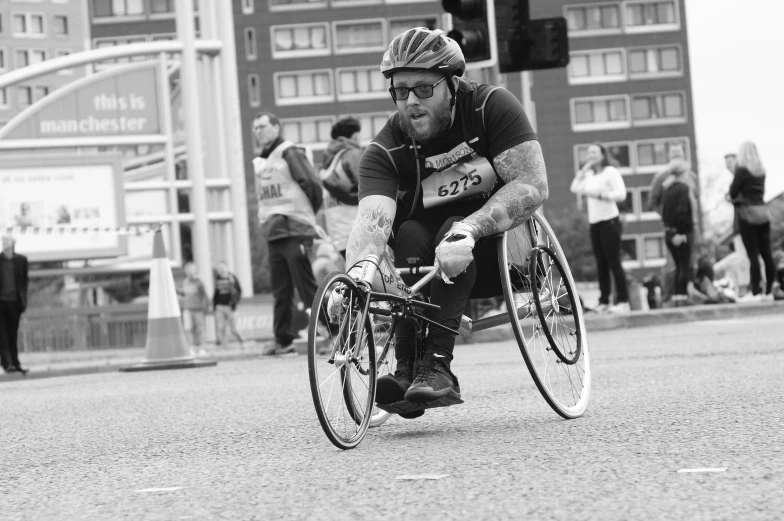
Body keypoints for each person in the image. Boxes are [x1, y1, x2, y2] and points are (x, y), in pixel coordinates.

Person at [331, 28, 549, 414]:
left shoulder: (491, 107)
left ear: (452, 83)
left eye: (423, 89)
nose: (410, 102)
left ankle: (438, 366)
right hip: (427, 269)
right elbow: (371, 223)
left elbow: (532, 183)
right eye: (400, 91)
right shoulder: (385, 149)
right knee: (410, 232)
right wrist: (356, 280)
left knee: (452, 225)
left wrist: (470, 229)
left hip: (498, 257)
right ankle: (407, 369)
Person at [253, 111, 323, 357]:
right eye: (255, 128)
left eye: (262, 126)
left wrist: (307, 216)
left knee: (307, 287)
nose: (257, 131)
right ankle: (283, 341)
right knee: (281, 291)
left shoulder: (288, 152)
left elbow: (313, 185)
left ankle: (336, 333)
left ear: (276, 127)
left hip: (295, 228)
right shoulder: (263, 161)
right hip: (275, 232)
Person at [570, 142, 630, 313]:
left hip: (610, 221)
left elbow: (621, 194)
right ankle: (604, 301)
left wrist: (603, 195)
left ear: (603, 155)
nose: (591, 155)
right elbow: (574, 187)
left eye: (595, 153)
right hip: (594, 223)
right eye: (589, 153)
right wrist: (584, 169)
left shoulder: (610, 172)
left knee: (614, 262)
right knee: (601, 263)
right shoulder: (589, 175)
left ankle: (623, 301)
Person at [729, 141, 775, 299]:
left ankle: (756, 290)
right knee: (767, 254)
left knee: (753, 255)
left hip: (747, 215)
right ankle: (769, 290)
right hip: (763, 213)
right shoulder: (761, 170)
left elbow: (733, 192)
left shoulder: (742, 170)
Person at [320, 117, 363, 259]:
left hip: (338, 235)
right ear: (355, 135)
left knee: (354, 276)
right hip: (358, 230)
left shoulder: (328, 162)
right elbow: (369, 187)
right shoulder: (353, 155)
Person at [660, 160, 697, 306]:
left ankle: (676, 296)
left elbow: (664, 213)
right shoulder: (683, 188)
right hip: (681, 232)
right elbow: (682, 211)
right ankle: (683, 296)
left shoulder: (667, 189)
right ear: (683, 172)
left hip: (668, 232)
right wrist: (681, 232)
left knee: (677, 265)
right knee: (684, 265)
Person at [0, 235, 29, 375]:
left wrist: (23, 302)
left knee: (12, 334)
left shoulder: (21, 260)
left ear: (12, 243)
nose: (4, 243)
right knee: (2, 334)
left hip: (15, 303)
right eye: (3, 241)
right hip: (1, 302)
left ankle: (16, 364)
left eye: (6, 241)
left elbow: (24, 283)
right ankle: (7, 364)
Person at [213, 261, 245, 349]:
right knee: (221, 328)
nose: (221, 269)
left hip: (230, 307)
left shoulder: (232, 278)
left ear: (227, 268)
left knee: (234, 329)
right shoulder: (217, 279)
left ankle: (242, 342)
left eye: (222, 267)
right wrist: (215, 305)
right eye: (219, 268)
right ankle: (225, 347)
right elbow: (216, 294)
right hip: (220, 307)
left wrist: (234, 303)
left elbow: (239, 292)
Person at [179, 261, 210, 353]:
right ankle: (191, 348)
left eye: (191, 269)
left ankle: (202, 348)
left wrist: (205, 308)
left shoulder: (199, 282)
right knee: (188, 329)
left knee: (200, 329)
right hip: (187, 308)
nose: (189, 271)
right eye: (187, 269)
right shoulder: (185, 282)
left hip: (198, 309)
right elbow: (185, 293)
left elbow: (205, 296)